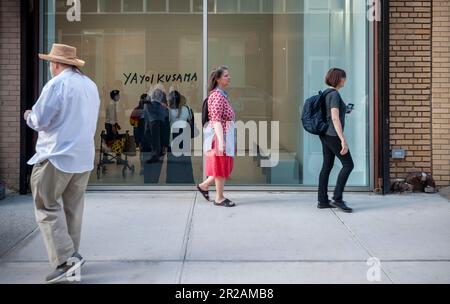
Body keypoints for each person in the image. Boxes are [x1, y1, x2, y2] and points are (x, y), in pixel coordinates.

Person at [23, 43, 100, 283]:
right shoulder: (90, 85)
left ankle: (66, 259)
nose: (50, 67)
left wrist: (28, 116)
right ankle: (71, 262)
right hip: (83, 157)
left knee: (46, 207)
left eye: (50, 63)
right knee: (72, 212)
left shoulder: (57, 84)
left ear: (55, 64)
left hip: (56, 156)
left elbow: (41, 120)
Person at [197, 66, 236, 207]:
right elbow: (216, 121)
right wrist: (221, 141)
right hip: (219, 137)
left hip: (223, 136)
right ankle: (219, 198)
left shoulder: (221, 95)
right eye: (226, 75)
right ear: (218, 79)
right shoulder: (218, 97)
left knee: (221, 166)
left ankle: (204, 186)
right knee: (220, 166)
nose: (229, 77)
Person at [317, 68, 354, 213]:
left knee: (327, 166)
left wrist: (346, 111)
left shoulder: (326, 93)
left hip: (325, 134)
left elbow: (332, 114)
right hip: (333, 135)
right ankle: (337, 198)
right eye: (344, 78)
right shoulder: (335, 95)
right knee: (348, 164)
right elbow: (334, 117)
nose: (345, 80)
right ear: (338, 79)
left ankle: (322, 201)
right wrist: (343, 139)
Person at [141, 88, 170, 183]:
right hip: (159, 145)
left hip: (146, 144)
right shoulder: (164, 109)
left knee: (147, 169)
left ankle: (147, 184)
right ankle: (154, 183)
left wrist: (139, 140)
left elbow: (141, 124)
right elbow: (166, 128)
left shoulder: (145, 107)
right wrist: (165, 144)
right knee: (156, 168)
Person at [166, 90, 194, 184]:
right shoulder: (187, 109)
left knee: (172, 163)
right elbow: (191, 121)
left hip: (172, 138)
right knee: (186, 162)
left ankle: (172, 181)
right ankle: (188, 180)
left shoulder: (168, 110)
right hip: (184, 138)